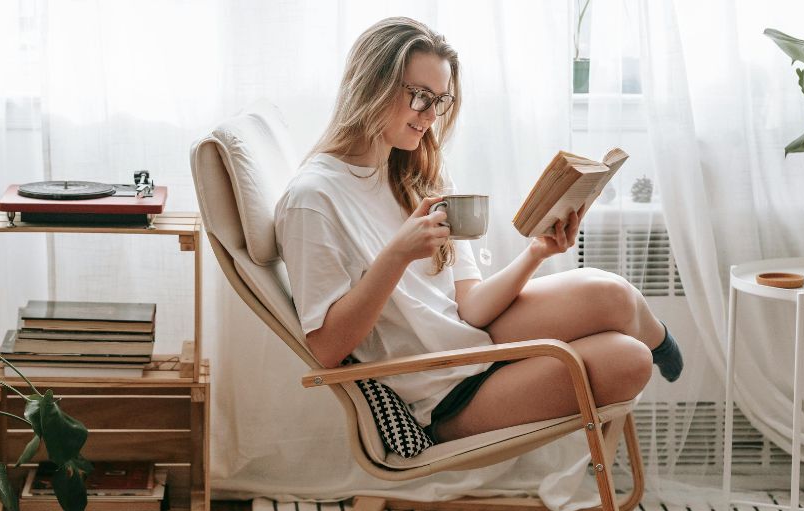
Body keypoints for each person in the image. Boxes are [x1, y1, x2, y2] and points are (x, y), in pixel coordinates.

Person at [274, 17, 683, 445]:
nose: (430, 116)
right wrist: (397, 255)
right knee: (629, 361)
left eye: (440, 101)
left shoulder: (416, 172)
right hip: (441, 393)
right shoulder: (313, 198)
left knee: (613, 294)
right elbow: (325, 349)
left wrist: (537, 252)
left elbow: (468, 305)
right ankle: (652, 346)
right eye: (420, 96)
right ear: (372, 85)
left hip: (472, 340)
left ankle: (661, 341)